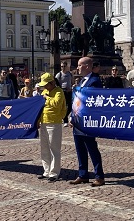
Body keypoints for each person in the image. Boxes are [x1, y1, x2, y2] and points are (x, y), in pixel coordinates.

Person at [69, 57, 105, 186]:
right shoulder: (81, 82)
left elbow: (95, 101)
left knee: (91, 148)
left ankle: (99, 176)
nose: (77, 68)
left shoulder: (94, 81)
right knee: (80, 148)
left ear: (87, 66)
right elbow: (77, 100)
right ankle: (83, 174)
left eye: (79, 65)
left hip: (87, 121)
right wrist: (71, 116)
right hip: (77, 120)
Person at [36, 72, 66, 181]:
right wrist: (38, 120)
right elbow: (40, 108)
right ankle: (46, 171)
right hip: (44, 122)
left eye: (46, 85)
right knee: (44, 149)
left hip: (54, 122)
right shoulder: (45, 91)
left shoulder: (59, 92)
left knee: (54, 149)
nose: (44, 87)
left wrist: (46, 97)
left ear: (52, 83)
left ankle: (54, 173)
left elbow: (57, 104)